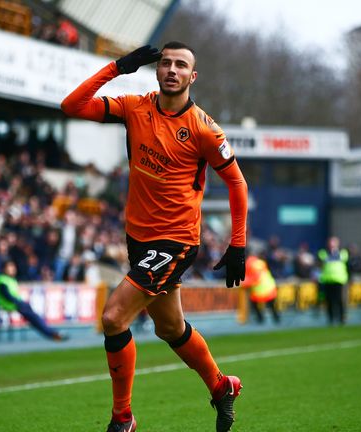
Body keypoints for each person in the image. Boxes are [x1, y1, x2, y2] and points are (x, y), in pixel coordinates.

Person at [61, 42, 248, 432]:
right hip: (139, 239)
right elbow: (72, 106)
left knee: (113, 318)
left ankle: (123, 419)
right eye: (166, 63)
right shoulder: (135, 107)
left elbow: (237, 183)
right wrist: (117, 67)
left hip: (176, 241)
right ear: (157, 70)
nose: (172, 70)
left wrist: (238, 242)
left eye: (181, 65)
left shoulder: (204, 128)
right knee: (169, 329)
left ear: (192, 77)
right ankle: (221, 386)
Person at [0, 260, 66, 341]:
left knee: (34, 316)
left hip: (14, 304)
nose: (13, 269)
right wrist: (18, 301)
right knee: (33, 316)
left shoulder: (11, 279)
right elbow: (6, 294)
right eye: (10, 267)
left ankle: (51, 332)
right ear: (3, 269)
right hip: (8, 305)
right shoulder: (1, 279)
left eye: (13, 267)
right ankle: (51, 333)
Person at [317, 236, 349, 325]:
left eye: (333, 242)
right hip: (327, 280)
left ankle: (342, 318)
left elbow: (342, 258)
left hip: (340, 280)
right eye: (330, 242)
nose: (332, 244)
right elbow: (321, 260)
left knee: (340, 300)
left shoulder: (342, 253)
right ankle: (331, 319)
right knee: (329, 301)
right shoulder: (323, 253)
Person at [242, 254, 279, 325]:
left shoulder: (249, 265)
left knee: (255, 304)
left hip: (261, 289)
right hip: (270, 287)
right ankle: (276, 319)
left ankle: (261, 319)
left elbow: (254, 279)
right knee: (271, 305)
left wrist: (243, 283)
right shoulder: (260, 262)